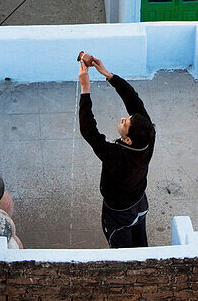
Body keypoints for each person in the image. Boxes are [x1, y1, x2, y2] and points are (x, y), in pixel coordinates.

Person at [77, 52, 156, 248]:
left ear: (127, 140)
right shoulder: (148, 136)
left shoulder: (117, 156)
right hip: (139, 203)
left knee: (123, 256)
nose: (123, 118)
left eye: (126, 122)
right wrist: (108, 74)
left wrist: (85, 89)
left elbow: (89, 130)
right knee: (141, 246)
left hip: (118, 213)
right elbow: (133, 99)